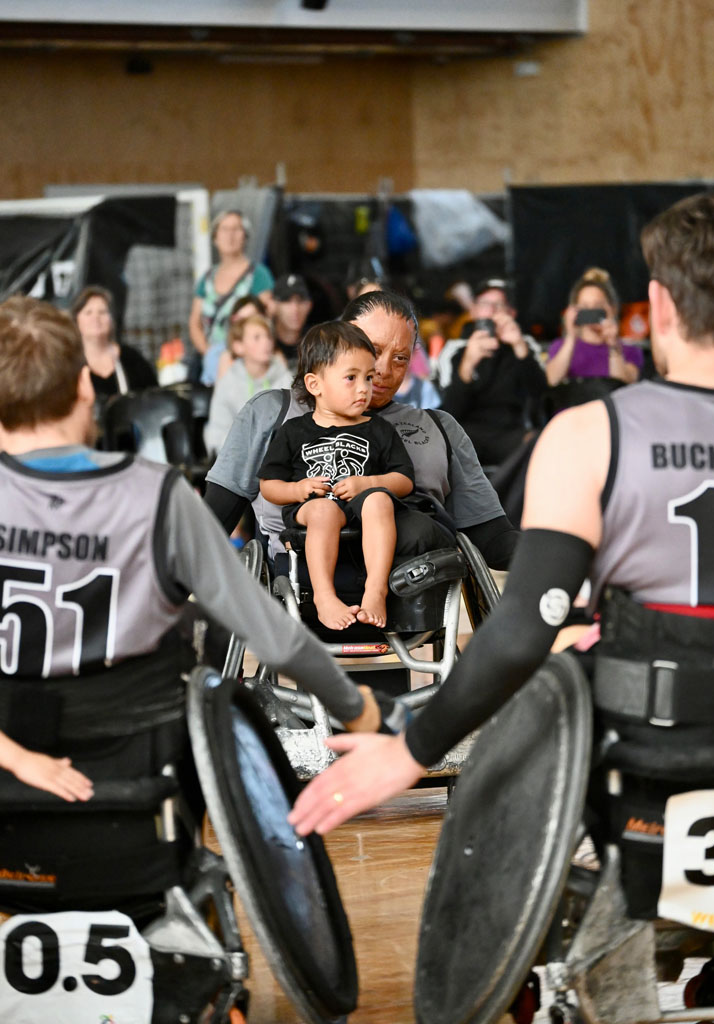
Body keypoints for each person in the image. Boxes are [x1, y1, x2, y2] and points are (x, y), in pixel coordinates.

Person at [288, 190, 714, 836]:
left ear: (657, 305)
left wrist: (410, 751)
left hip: (649, 761)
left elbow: (522, 629)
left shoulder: (587, 435)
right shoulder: (288, 421)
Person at [0, 297, 393, 803]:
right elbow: (276, 640)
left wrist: (17, 759)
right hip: (139, 778)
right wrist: (363, 712)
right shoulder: (154, 493)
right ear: (83, 386)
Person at [205, 290, 519, 572]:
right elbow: (211, 524)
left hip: (412, 588)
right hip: (297, 585)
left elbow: (492, 540)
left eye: (400, 358)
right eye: (372, 348)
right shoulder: (272, 413)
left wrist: (559, 549)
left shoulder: (439, 428)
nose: (382, 369)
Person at [259, 322, 414, 630]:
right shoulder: (294, 431)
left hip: (361, 515)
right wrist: (298, 489)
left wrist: (370, 483)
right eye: (351, 378)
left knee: (380, 500)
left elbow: (405, 480)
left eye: (368, 378)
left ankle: (376, 590)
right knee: (323, 510)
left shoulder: (379, 429)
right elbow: (268, 486)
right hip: (313, 511)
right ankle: (324, 596)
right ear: (315, 385)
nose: (364, 388)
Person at [438, 279, 547, 465]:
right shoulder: (454, 350)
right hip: (466, 434)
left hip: (512, 433)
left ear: (511, 313)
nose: (491, 311)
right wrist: (467, 365)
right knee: (442, 447)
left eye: (499, 305)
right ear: (473, 312)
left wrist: (519, 348)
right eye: (484, 304)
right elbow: (448, 411)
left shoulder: (524, 345)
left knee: (540, 445)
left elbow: (540, 394)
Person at [188, 211, 274, 385]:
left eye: (236, 229)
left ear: (245, 236)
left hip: (247, 360)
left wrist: (243, 354)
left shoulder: (258, 275)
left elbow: (266, 317)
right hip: (212, 359)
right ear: (215, 237)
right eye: (224, 229)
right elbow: (194, 323)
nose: (230, 235)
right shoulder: (206, 279)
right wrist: (210, 354)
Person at [204, 313, 292, 457]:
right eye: (257, 337)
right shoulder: (228, 384)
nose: (266, 342)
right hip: (238, 462)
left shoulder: (286, 378)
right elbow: (218, 431)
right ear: (238, 346)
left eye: (268, 336)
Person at [546, 267, 643, 387]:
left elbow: (624, 385)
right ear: (575, 310)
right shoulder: (560, 347)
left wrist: (613, 345)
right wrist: (570, 337)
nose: (591, 311)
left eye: (598, 306)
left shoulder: (628, 351)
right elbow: (551, 380)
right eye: (585, 307)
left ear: (611, 309)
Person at [71, 285, 157, 403]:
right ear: (76, 320)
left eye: (102, 312)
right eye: (88, 312)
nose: (96, 318)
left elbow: (154, 398)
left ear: (112, 319)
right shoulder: (68, 365)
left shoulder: (132, 360)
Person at [271, 273, 314, 371]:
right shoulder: (262, 342)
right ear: (274, 305)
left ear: (309, 305)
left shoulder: (317, 342)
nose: (295, 309)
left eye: (300, 301)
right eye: (286, 301)